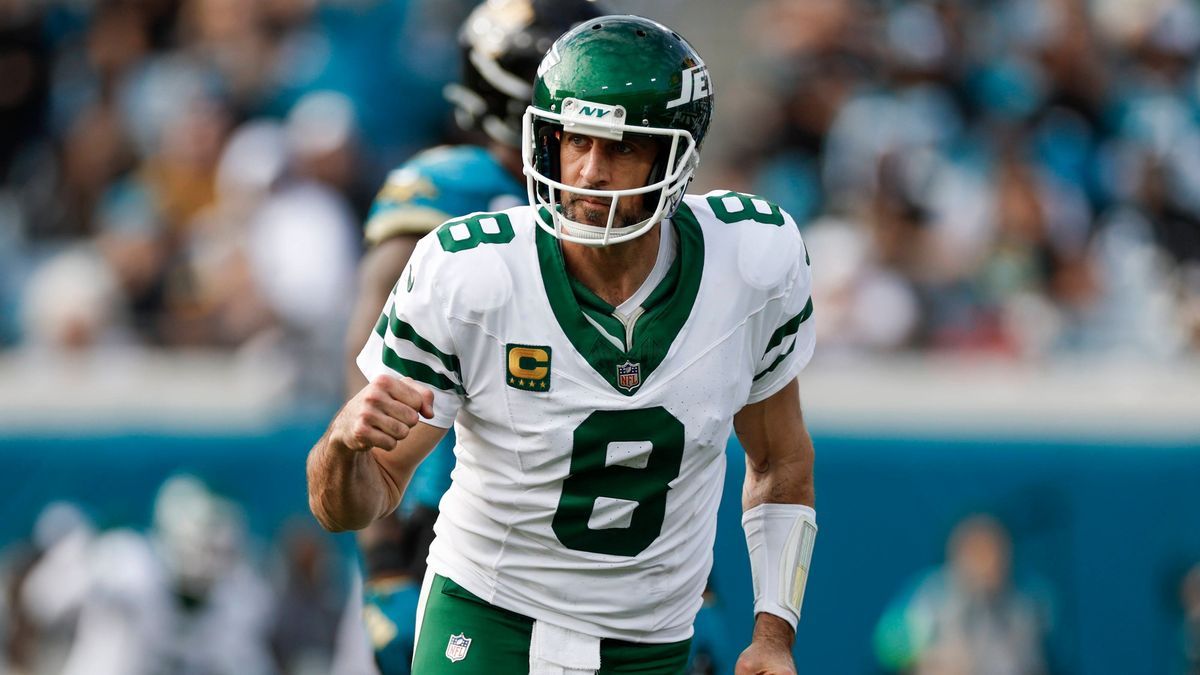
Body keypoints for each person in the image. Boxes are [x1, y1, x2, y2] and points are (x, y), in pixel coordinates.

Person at [308, 14, 818, 675]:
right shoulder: (473, 269)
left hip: (652, 635)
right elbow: (349, 501)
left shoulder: (753, 261)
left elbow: (780, 464)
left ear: (676, 155)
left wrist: (773, 633)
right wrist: (343, 449)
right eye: (575, 141)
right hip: (489, 616)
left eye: (621, 147)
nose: (590, 172)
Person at [339, 1, 604, 672]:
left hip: (586, 526)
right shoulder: (450, 191)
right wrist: (385, 560)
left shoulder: (616, 211)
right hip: (453, 518)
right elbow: (373, 375)